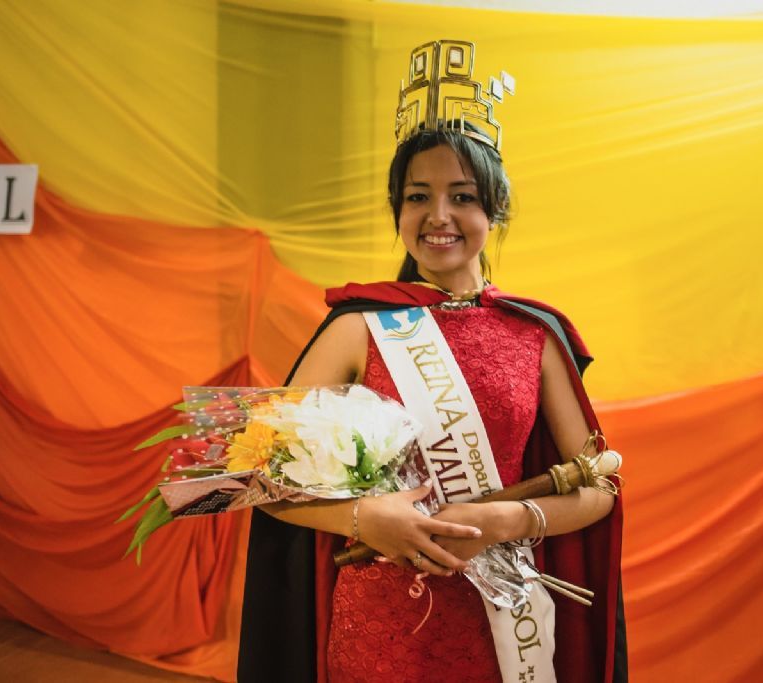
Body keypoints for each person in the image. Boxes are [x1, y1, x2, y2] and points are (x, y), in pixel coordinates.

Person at [238, 40, 627, 683]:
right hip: (381, 626)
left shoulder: (536, 332)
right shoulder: (358, 327)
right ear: (398, 210)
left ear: (494, 210)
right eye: (417, 196)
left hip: (504, 621)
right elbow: (259, 477)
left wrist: (509, 517)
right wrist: (365, 519)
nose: (438, 216)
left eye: (462, 196)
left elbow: (599, 488)